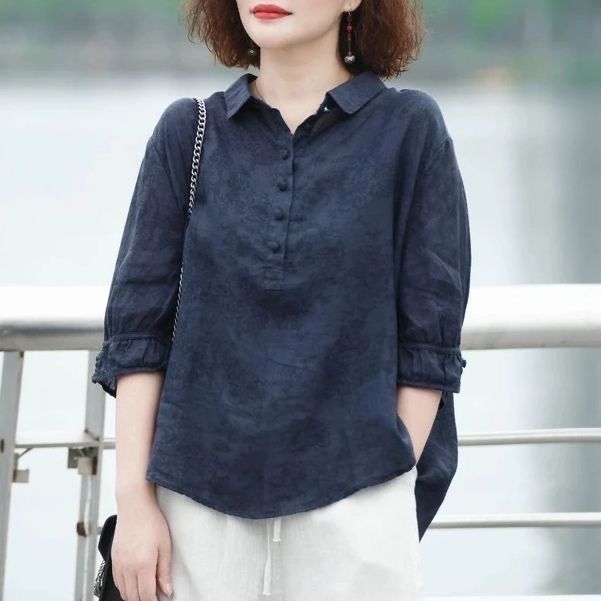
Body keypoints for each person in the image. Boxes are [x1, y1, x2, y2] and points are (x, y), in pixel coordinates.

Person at [91, 0, 471, 599]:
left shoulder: (410, 130)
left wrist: (387, 488)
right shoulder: (188, 132)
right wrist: (135, 503)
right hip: (193, 511)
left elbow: (431, 336)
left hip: (355, 508)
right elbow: (139, 333)